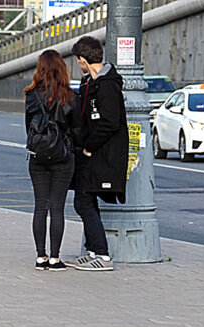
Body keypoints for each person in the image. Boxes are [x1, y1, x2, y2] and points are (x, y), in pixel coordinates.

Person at [68, 35, 128, 272]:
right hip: (91, 153)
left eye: (78, 60)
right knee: (85, 199)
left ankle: (102, 255)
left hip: (103, 154)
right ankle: (93, 251)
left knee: (83, 201)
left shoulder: (108, 85)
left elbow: (110, 122)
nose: (78, 64)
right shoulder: (89, 82)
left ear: (83, 59)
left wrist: (89, 147)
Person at [24, 50, 79, 272]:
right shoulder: (70, 96)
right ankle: (55, 258)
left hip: (38, 156)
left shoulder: (31, 95)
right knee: (57, 207)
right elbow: (77, 129)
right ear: (61, 69)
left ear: (40, 69)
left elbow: (29, 126)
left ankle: (40, 257)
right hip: (63, 157)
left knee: (40, 206)